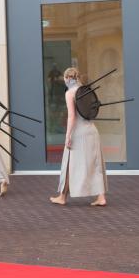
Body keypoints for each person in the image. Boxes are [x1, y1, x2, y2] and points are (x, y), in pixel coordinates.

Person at [49, 67, 107, 206]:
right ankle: (101, 197)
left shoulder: (70, 93)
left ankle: (62, 197)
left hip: (78, 132)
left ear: (68, 78)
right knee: (95, 164)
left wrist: (68, 135)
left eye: (64, 78)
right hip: (92, 130)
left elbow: (71, 116)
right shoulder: (86, 90)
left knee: (68, 163)